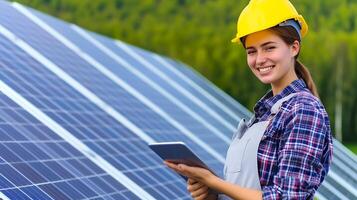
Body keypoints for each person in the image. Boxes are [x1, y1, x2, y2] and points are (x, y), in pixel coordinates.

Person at [165, 0, 333, 199]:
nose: (259, 59)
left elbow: (288, 197)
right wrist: (213, 194)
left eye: (269, 48)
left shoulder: (304, 110)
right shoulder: (262, 115)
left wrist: (213, 182)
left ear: (294, 47)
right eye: (251, 51)